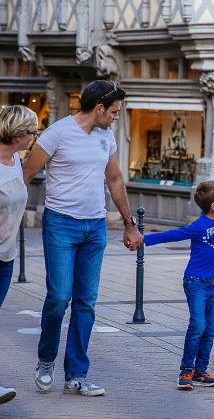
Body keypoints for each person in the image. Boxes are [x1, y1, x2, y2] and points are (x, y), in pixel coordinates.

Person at [23, 80, 143, 397]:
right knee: (60, 297)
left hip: (95, 227)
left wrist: (130, 224)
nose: (117, 117)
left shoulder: (106, 137)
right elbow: (24, 175)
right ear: (99, 108)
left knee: (86, 303)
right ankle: (46, 360)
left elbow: (115, 179)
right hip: (61, 224)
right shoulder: (57, 134)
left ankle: (76, 374)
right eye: (115, 111)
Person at [144, 175, 214, 390]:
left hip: (212, 283)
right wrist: (143, 240)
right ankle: (185, 372)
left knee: (211, 328)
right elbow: (173, 235)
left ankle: (200, 371)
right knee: (198, 325)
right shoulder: (199, 226)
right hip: (195, 282)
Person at [0, 105, 39, 405]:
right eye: (32, 131)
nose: (34, 136)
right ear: (17, 133)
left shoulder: (15, 159)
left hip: (5, 255)